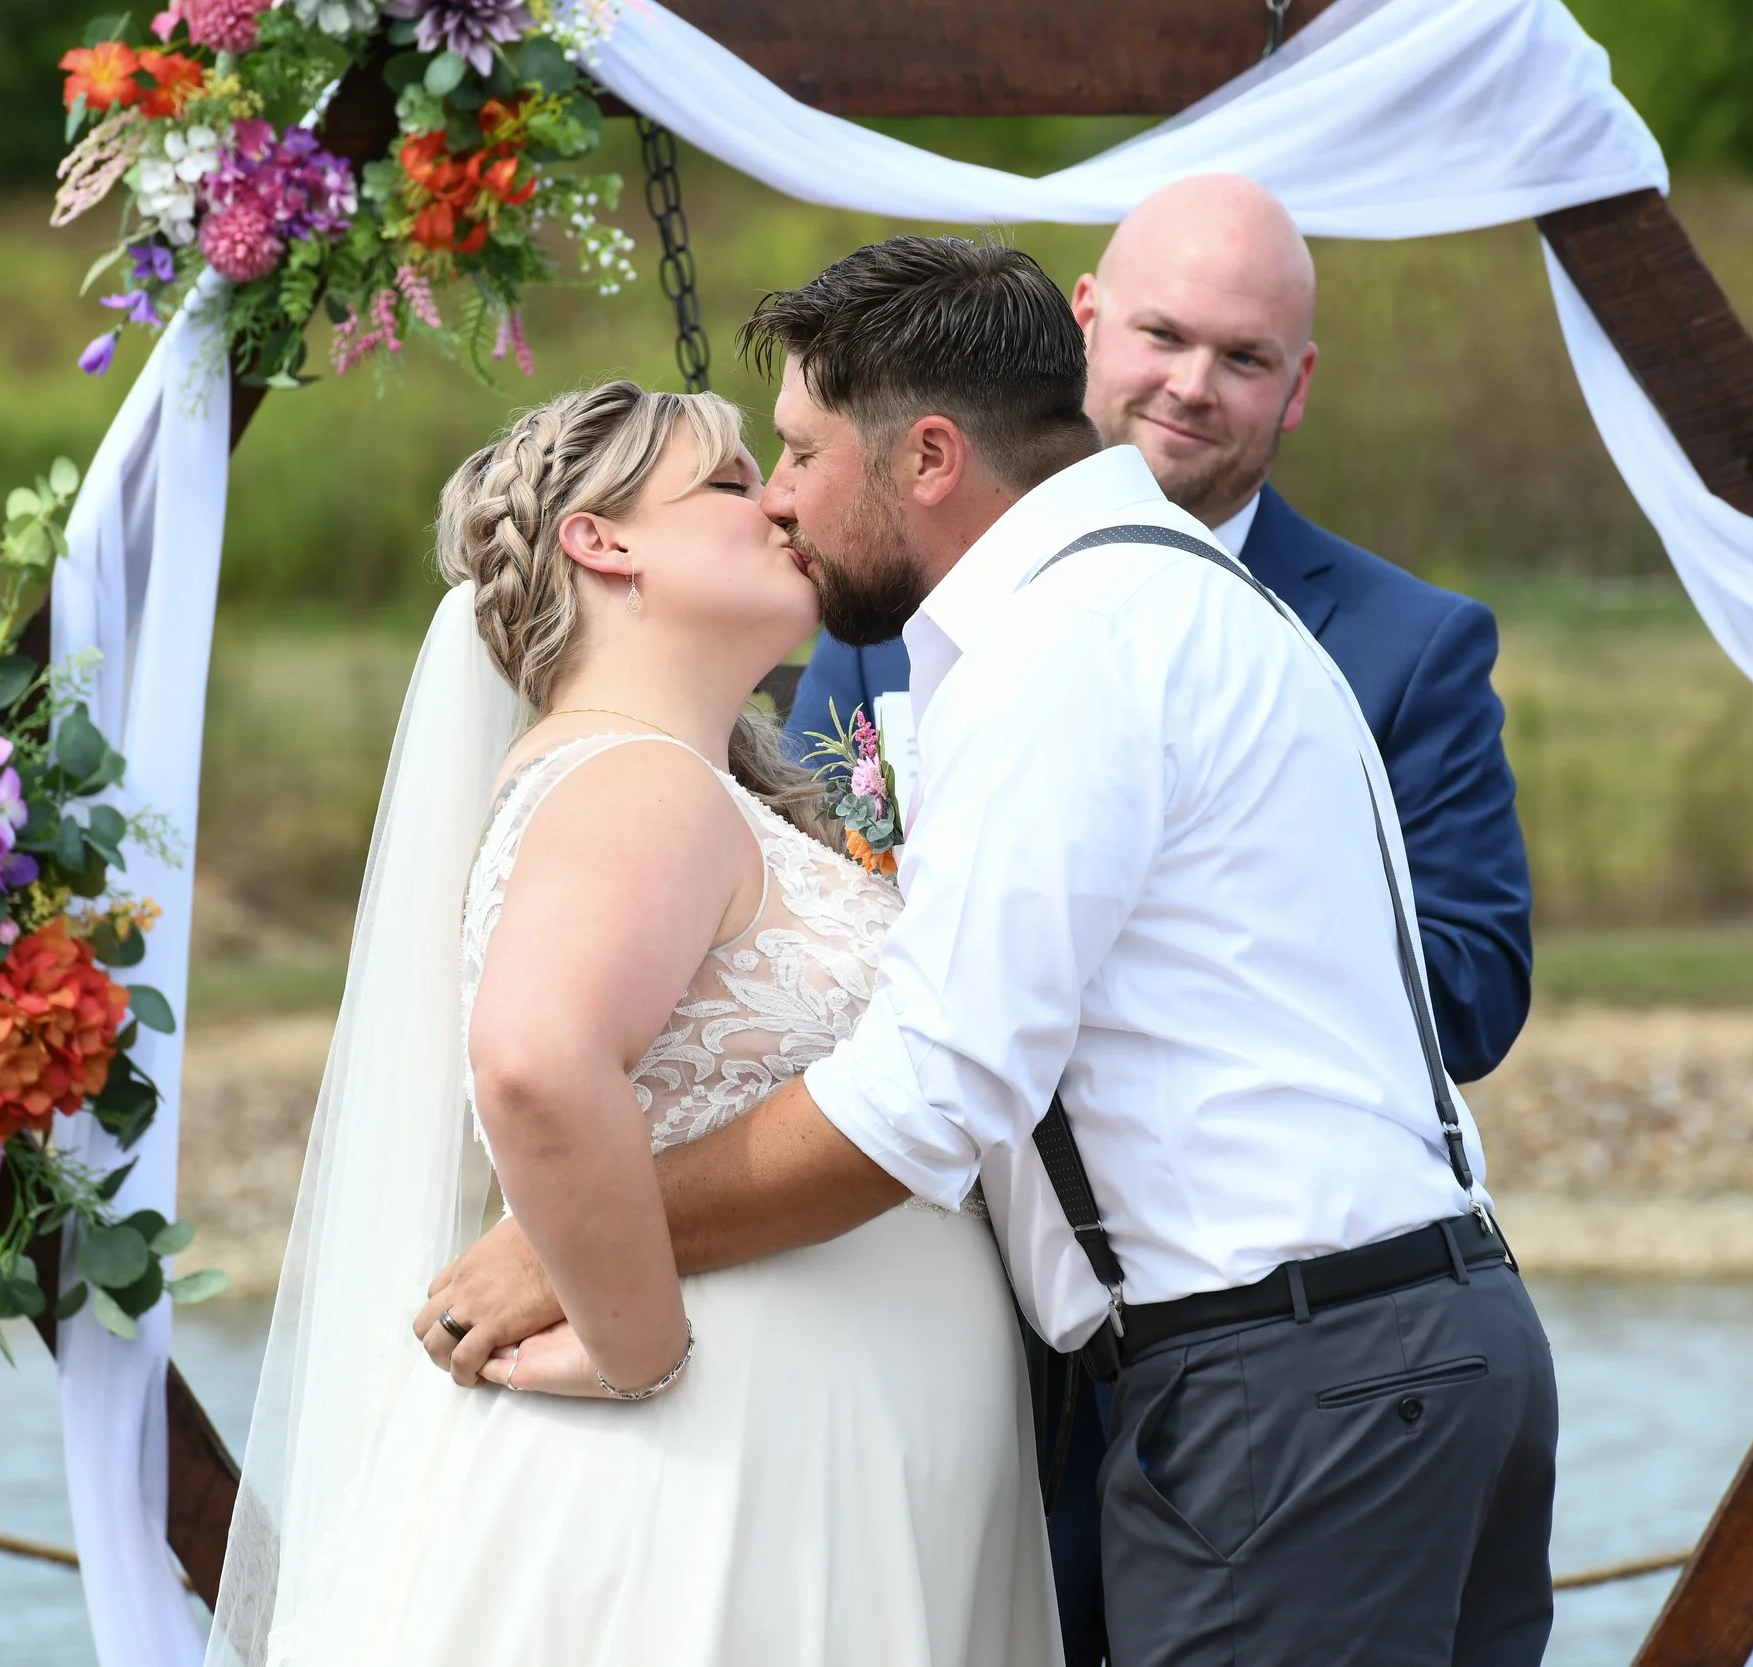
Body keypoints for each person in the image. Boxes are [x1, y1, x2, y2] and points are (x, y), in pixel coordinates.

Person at [429, 237, 1559, 1667]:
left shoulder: (1063, 649)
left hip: (1293, 1390)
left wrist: (585, 1249)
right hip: (1382, 1358)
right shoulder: (1161, 597)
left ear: (929, 458)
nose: (779, 497)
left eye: (792, 451)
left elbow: (931, 1087)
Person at [205, 381, 1061, 1667]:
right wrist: (633, 1346)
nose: (778, 497)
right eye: (727, 483)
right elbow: (536, 1063)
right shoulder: (636, 785)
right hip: (721, 1454)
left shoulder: (665, 780)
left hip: (827, 1436)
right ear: (601, 543)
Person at [789, 175, 1532, 1086]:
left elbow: (1473, 994)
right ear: (1086, 320)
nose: (1191, 387)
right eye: (1164, 336)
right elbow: (805, 897)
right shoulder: (902, 583)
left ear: (1297, 386)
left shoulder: (1413, 646)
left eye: (1245, 360)